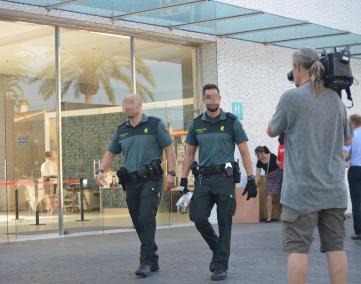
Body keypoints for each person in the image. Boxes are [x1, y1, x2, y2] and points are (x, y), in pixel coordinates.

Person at [267, 47, 352, 284]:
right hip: (334, 189)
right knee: (336, 247)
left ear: (296, 68)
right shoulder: (335, 98)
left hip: (301, 193)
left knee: (298, 250)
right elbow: (347, 139)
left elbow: (272, 130)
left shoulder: (291, 98)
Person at [179, 84, 257, 281]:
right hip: (203, 179)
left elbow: (245, 151)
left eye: (215, 97)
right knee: (197, 216)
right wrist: (182, 179)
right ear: (204, 99)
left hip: (224, 179)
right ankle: (217, 248)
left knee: (224, 222)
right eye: (208, 97)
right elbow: (189, 153)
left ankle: (220, 266)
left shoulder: (232, 122)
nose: (212, 100)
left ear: (220, 98)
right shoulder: (196, 124)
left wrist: (251, 178)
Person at [96, 94, 176, 278]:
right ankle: (152, 255)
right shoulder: (121, 130)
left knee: (146, 216)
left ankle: (145, 261)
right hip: (131, 182)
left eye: (130, 103)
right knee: (137, 219)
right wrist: (100, 170)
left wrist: (172, 173)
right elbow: (110, 152)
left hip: (151, 180)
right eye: (124, 104)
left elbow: (169, 148)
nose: (127, 107)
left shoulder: (154, 124)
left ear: (140, 105)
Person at [343, 114, 361, 240]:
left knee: (356, 202)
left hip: (355, 170)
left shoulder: (351, 136)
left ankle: (359, 231)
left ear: (354, 123)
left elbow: (345, 155)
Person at [255, 146, 282, 223]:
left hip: (278, 175)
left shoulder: (272, 156)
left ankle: (282, 216)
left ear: (262, 153)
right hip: (269, 178)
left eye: (257, 154)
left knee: (281, 195)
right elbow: (257, 175)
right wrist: (254, 185)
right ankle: (269, 218)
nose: (257, 156)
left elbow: (280, 165)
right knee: (269, 196)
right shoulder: (259, 162)